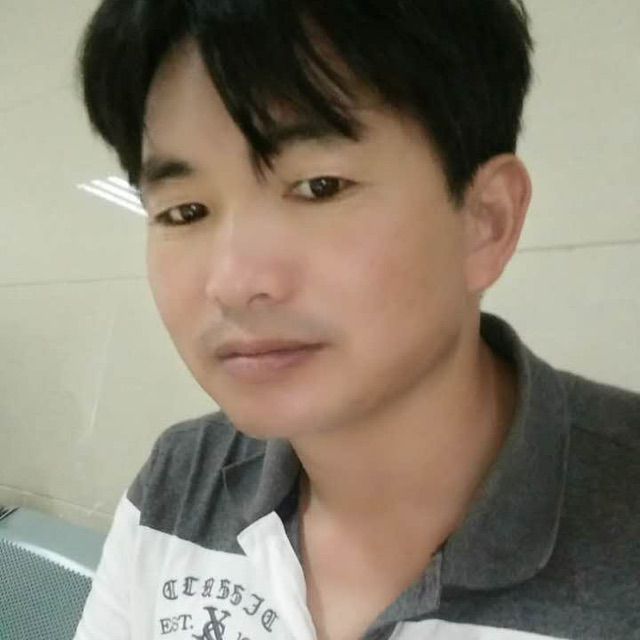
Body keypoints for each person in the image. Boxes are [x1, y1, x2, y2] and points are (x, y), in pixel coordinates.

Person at [73, 1, 640, 639]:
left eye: (319, 187)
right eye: (185, 211)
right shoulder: (183, 476)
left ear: (486, 220)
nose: (232, 284)